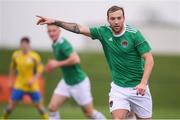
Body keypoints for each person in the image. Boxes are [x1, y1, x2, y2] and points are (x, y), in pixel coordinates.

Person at [36, 5, 154, 119]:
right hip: (119, 89)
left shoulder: (134, 34)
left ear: (124, 18)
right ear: (108, 19)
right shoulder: (103, 32)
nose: (116, 21)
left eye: (119, 18)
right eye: (113, 18)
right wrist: (55, 21)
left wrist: (143, 83)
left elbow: (149, 59)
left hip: (138, 88)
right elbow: (79, 28)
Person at [41, 24, 106, 120]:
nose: (51, 33)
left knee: (89, 113)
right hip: (66, 81)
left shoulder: (63, 43)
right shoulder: (55, 44)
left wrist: (56, 64)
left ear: (59, 31)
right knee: (52, 107)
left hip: (79, 82)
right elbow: (61, 62)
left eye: (54, 30)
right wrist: (51, 66)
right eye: (49, 31)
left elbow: (76, 59)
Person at [2, 37, 48, 119]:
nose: (23, 46)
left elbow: (40, 69)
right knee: (11, 105)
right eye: (22, 44)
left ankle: (47, 118)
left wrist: (33, 79)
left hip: (32, 85)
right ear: (20, 45)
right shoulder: (16, 55)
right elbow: (12, 68)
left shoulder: (34, 56)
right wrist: (10, 80)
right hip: (19, 84)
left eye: (25, 44)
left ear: (28, 45)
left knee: (39, 106)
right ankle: (3, 118)